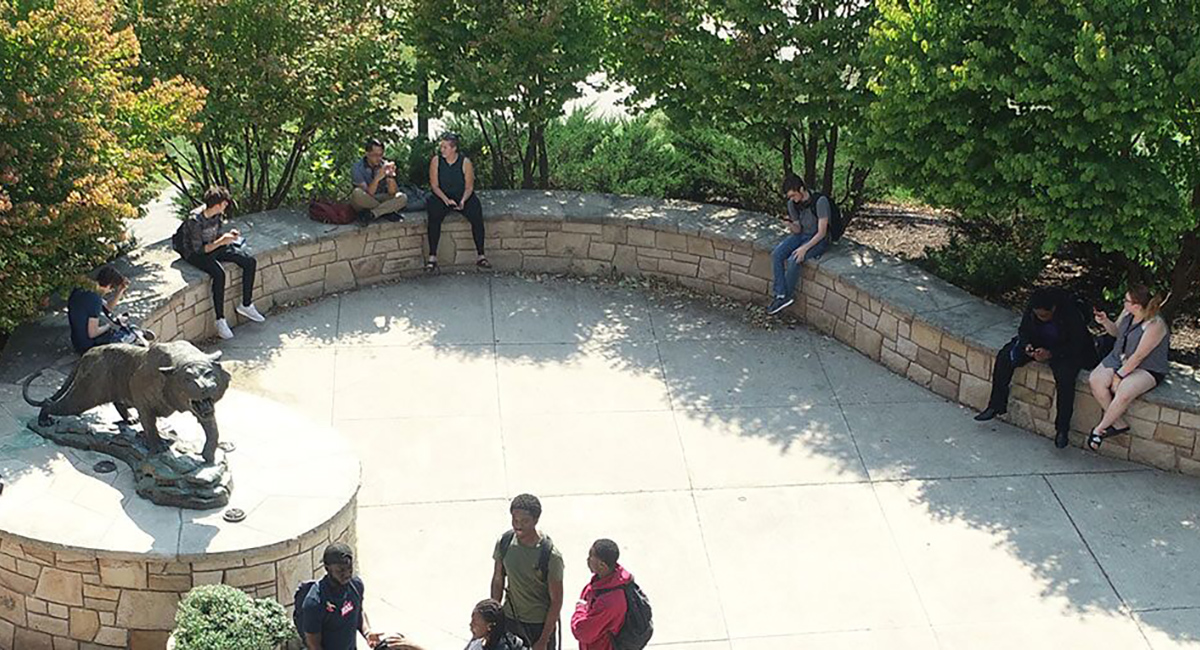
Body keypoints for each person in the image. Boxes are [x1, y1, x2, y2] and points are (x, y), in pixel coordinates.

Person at [973, 287, 1098, 448]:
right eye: (1038, 315)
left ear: (1053, 309)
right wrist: (1027, 346)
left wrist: (1052, 353)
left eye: (1045, 315)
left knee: (1065, 378)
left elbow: (1077, 344)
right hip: (1039, 343)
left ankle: (1062, 429)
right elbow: (1023, 331)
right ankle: (995, 405)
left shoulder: (1070, 313)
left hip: (1065, 350)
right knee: (1005, 356)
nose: (1041, 318)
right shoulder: (1032, 309)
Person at [1086, 284, 1171, 451]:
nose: (1123, 303)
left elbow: (1139, 356)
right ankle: (1118, 423)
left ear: (1137, 305)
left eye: (1126, 301)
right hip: (1119, 357)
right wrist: (1105, 321)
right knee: (1095, 380)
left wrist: (1119, 376)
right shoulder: (1127, 313)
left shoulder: (1155, 324)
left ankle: (1099, 429)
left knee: (1124, 391)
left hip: (1146, 367)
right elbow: (1117, 333)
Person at [179, 186, 266, 340]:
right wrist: (221, 241)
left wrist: (228, 236)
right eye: (225, 203)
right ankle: (220, 320)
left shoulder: (217, 215)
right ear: (218, 204)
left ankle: (246, 304)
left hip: (213, 246)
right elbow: (200, 250)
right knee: (219, 274)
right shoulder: (195, 220)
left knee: (249, 261)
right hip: (195, 254)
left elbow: (215, 235)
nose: (227, 205)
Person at [491, 494, 564, 650]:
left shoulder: (550, 555)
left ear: (536, 520)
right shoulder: (504, 542)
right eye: (515, 520)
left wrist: (544, 640)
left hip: (538, 625)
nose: (518, 525)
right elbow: (498, 579)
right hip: (510, 619)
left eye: (525, 521)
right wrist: (494, 616)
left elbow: (556, 601)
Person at [301, 543, 396, 650]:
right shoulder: (315, 602)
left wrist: (367, 632)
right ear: (327, 569)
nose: (347, 574)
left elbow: (358, 611)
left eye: (349, 568)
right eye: (340, 570)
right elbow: (313, 643)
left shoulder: (356, 585)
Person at [767, 174, 830, 315]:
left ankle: (787, 296)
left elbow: (822, 233)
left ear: (801, 189)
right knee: (777, 254)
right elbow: (798, 228)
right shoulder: (792, 204)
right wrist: (789, 224)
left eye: (794, 195)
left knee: (793, 259)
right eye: (790, 197)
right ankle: (780, 295)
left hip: (817, 239)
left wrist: (804, 248)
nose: (793, 199)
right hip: (801, 235)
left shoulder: (820, 201)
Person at [426, 132, 489, 272]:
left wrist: (462, 201)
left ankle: (481, 255)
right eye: (441, 147)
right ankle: (432, 257)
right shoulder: (436, 161)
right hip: (442, 195)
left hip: (462, 195)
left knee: (476, 214)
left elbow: (469, 187)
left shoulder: (465, 162)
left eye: (445, 147)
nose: (442, 150)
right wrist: (446, 200)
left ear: (453, 149)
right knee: (433, 214)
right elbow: (434, 186)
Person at [570, 539, 632, 650]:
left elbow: (583, 632)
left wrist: (580, 608)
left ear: (602, 565)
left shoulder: (609, 602)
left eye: (591, 557)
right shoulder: (606, 581)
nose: (587, 560)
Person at [67, 265, 140, 354]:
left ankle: (135, 333)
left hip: (76, 341)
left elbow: (108, 307)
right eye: (111, 289)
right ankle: (135, 335)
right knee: (123, 337)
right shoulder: (94, 299)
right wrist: (110, 324)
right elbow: (92, 333)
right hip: (87, 346)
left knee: (118, 328)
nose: (109, 292)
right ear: (109, 286)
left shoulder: (84, 288)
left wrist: (120, 291)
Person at [350, 138, 408, 223]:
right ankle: (387, 211)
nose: (378, 158)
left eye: (380, 155)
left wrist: (390, 177)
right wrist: (377, 178)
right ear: (367, 154)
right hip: (366, 200)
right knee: (356, 193)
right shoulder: (357, 168)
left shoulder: (384, 164)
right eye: (375, 155)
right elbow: (368, 193)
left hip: (380, 197)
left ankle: (373, 214)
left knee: (402, 197)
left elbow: (392, 193)